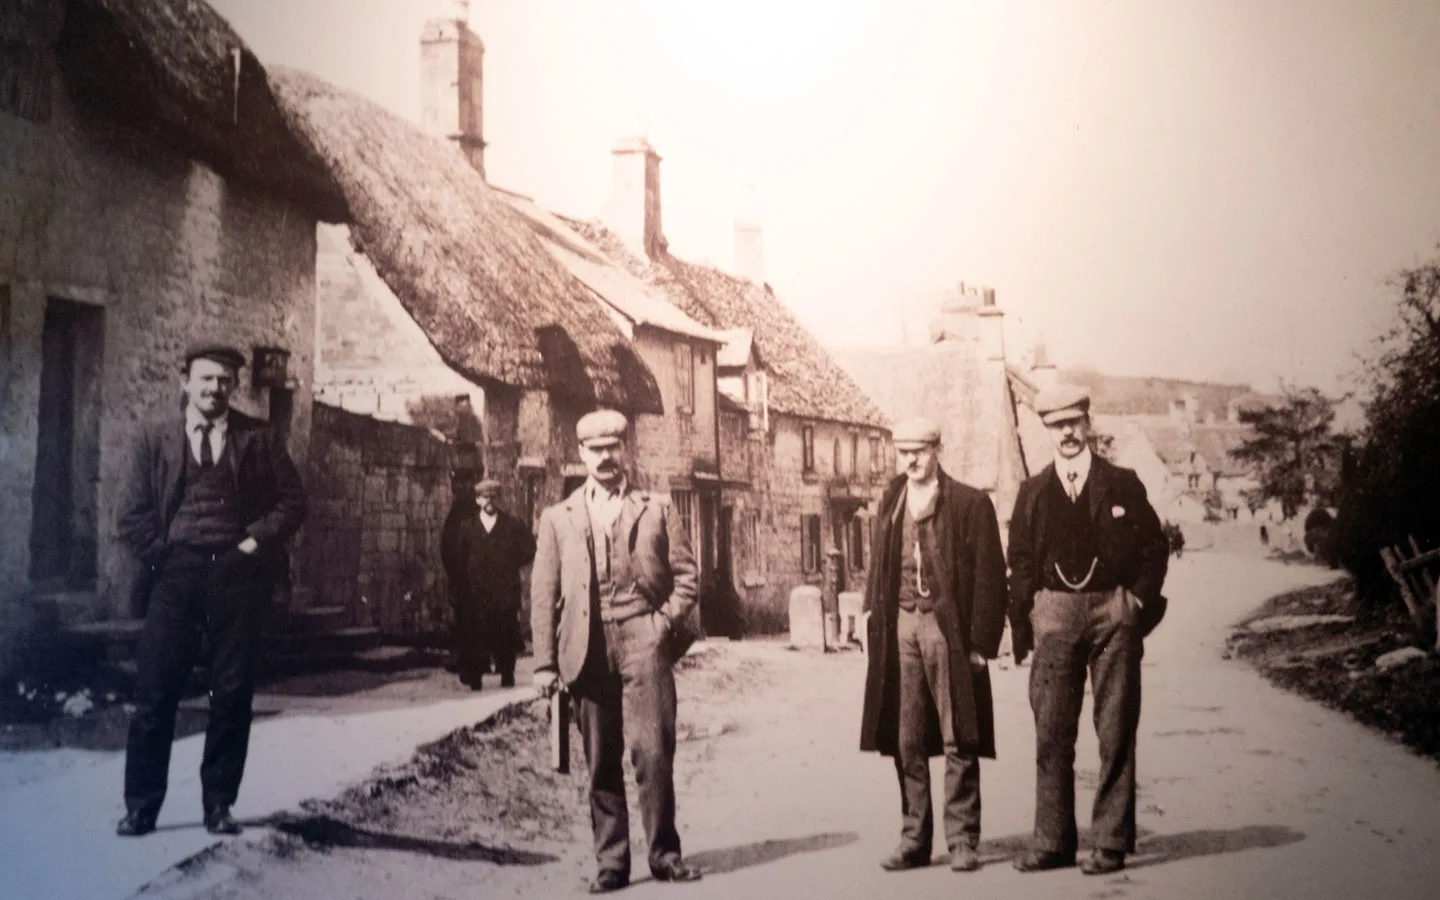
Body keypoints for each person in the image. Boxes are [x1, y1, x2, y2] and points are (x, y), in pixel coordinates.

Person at [116, 345, 306, 837]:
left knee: (232, 692)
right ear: (185, 382)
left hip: (236, 578)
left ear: (234, 386)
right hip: (175, 577)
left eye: (223, 380)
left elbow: (292, 502)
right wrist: (164, 557)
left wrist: (252, 541)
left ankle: (219, 804)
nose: (214, 389)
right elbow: (131, 514)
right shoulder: (156, 438)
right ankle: (141, 806)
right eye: (205, 379)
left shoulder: (257, 439)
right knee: (156, 690)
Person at [530, 409, 703, 893]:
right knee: (600, 759)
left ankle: (665, 854)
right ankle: (612, 863)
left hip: (642, 640)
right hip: (584, 648)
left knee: (652, 752)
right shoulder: (558, 517)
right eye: (595, 450)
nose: (606, 458)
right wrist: (545, 663)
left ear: (625, 450)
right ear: (581, 454)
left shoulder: (657, 508)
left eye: (613, 448)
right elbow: (543, 594)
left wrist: (661, 623)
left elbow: (688, 578)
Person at [1007, 385, 1169, 876]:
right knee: (1051, 731)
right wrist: (1029, 617)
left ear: (1088, 424)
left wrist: (1133, 600)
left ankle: (1111, 842)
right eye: (1058, 426)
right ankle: (1053, 841)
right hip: (1053, 615)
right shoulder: (1032, 492)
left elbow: (1154, 550)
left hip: (1111, 615)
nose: (1069, 433)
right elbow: (1018, 562)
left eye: (1075, 423)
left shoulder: (1122, 484)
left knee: (1115, 728)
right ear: (1047, 431)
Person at [859, 417, 1009, 873]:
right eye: (903, 452)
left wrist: (981, 643)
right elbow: (879, 565)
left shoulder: (969, 502)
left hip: (950, 629)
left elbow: (989, 578)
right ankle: (914, 839)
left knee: (959, 732)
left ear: (937, 449)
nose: (911, 460)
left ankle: (962, 839)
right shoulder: (892, 499)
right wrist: (872, 616)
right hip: (902, 626)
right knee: (906, 738)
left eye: (919, 451)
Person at [448, 479, 536, 689]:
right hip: (476, 594)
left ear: (499, 499)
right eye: (485, 497)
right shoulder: (467, 527)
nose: (489, 501)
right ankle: (476, 677)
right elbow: (458, 560)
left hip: (504, 591)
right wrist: (459, 590)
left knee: (505, 633)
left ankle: (507, 674)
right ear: (478, 500)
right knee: (476, 635)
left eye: (493, 497)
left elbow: (529, 550)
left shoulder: (512, 525)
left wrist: (510, 563)